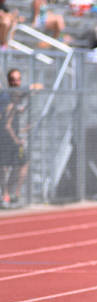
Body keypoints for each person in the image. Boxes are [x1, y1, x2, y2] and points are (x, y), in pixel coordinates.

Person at [0, 69, 32, 207]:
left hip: (14, 139)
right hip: (5, 139)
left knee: (22, 164)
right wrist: (16, 139)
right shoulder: (6, 98)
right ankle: (5, 195)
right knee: (3, 167)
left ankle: (14, 194)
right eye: (13, 79)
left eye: (18, 79)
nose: (16, 82)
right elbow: (6, 124)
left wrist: (23, 131)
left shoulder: (15, 99)